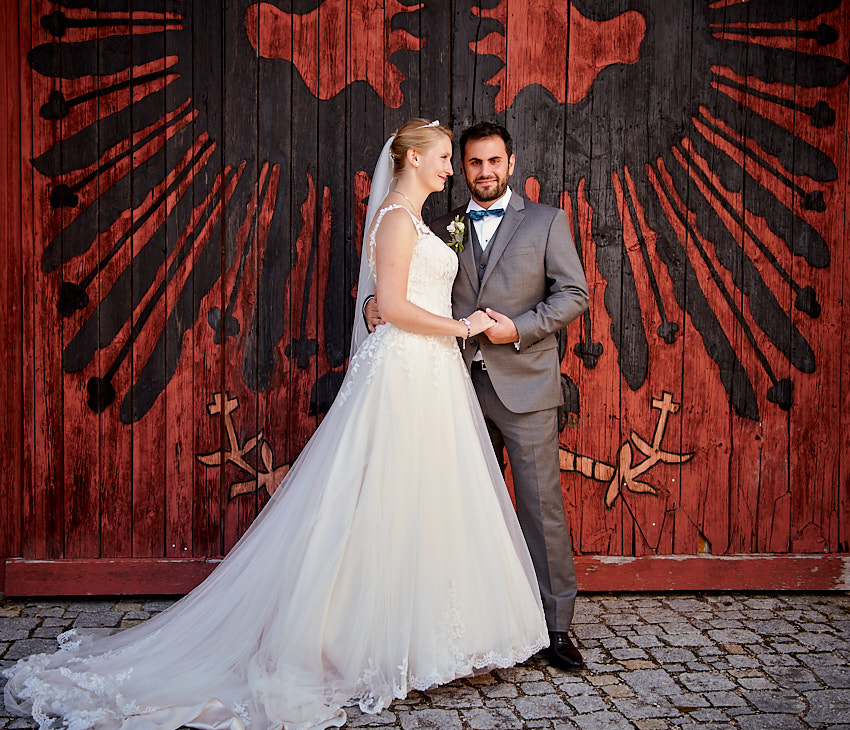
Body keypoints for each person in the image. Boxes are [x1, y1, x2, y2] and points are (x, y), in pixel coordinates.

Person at [3, 120, 549, 730]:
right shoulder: (396, 220)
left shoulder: (416, 221)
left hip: (429, 374)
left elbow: (391, 300)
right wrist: (463, 328)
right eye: (445, 158)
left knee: (428, 499)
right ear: (415, 159)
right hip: (406, 372)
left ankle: (436, 638)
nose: (452, 169)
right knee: (382, 499)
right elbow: (392, 307)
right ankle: (361, 640)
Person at [365, 122, 589, 671]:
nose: (483, 172)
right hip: (453, 387)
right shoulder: (440, 224)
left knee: (541, 508)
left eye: (493, 162)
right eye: (472, 164)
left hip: (526, 385)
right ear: (462, 170)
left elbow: (574, 295)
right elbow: (410, 279)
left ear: (511, 163)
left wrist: (516, 329)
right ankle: (472, 623)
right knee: (457, 507)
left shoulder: (546, 221)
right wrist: (375, 301)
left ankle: (557, 626)